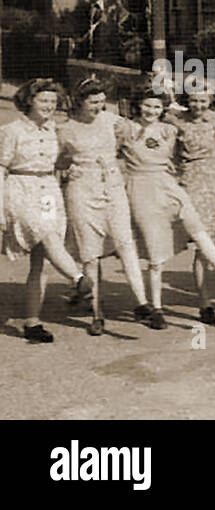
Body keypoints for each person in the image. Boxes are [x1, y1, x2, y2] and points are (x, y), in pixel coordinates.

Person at [122, 86, 215, 325]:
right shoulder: (127, 128)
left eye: (157, 106)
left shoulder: (169, 129)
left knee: (197, 227)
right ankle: (156, 307)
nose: (151, 110)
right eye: (147, 105)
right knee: (155, 249)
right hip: (142, 188)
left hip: (170, 186)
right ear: (139, 105)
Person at [58, 79, 154, 335]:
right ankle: (97, 313)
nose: (98, 107)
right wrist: (73, 169)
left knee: (125, 243)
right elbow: (58, 161)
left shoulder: (112, 120)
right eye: (93, 102)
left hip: (112, 185)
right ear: (80, 101)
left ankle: (142, 303)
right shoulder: (65, 129)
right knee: (90, 252)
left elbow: (138, 136)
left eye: (102, 101)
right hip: (82, 189)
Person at [0, 78, 93, 343]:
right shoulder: (11, 131)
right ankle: (78, 279)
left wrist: (70, 168)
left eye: (53, 102)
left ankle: (32, 322)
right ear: (29, 101)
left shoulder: (56, 130)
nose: (48, 106)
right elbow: (1, 167)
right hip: (20, 187)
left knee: (41, 259)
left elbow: (61, 161)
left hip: (48, 189)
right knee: (46, 234)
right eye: (43, 101)